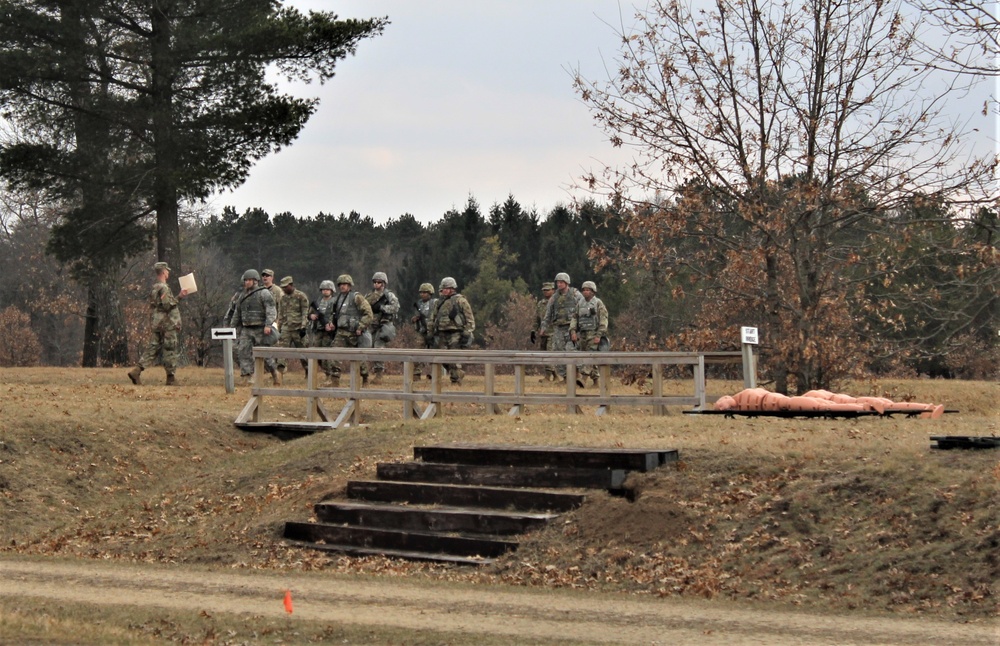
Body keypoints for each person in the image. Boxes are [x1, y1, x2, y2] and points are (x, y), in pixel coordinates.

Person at [127, 261, 188, 385]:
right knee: (170, 348)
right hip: (167, 324)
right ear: (164, 272)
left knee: (153, 348)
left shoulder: (155, 287)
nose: (168, 273)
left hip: (157, 322)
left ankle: (137, 371)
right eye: (167, 271)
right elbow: (167, 305)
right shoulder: (164, 288)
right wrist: (180, 296)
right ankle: (171, 378)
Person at [230, 269, 279, 385]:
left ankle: (274, 373)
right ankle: (247, 376)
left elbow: (271, 310)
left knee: (264, 354)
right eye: (245, 280)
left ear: (255, 281)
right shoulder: (242, 295)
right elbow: (237, 313)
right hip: (246, 328)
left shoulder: (264, 293)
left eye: (248, 280)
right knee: (243, 351)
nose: (246, 282)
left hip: (261, 328)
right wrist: (232, 328)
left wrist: (268, 325)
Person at [539, 272, 585, 382]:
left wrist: (580, 327)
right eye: (557, 282)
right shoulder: (554, 297)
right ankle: (565, 377)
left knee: (572, 351)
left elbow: (583, 309)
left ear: (566, 283)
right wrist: (543, 327)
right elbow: (548, 314)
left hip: (572, 328)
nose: (559, 284)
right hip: (558, 328)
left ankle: (577, 375)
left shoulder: (575, 294)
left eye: (561, 282)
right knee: (558, 352)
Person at [428, 276, 474, 385]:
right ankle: (458, 373)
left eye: (444, 288)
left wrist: (467, 332)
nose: (442, 291)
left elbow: (470, 318)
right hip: (441, 332)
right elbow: (432, 318)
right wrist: (430, 332)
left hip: (456, 332)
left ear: (451, 289)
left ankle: (455, 380)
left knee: (454, 357)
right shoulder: (438, 303)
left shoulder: (460, 301)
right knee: (441, 358)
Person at [330, 274, 374, 386]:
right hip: (341, 331)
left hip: (354, 332)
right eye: (340, 284)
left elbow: (368, 314)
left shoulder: (356, 297)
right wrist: (332, 323)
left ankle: (365, 378)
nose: (342, 287)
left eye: (345, 284)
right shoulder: (337, 299)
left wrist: (360, 327)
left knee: (359, 358)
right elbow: (334, 314)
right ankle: (335, 380)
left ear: (350, 285)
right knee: (334, 354)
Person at [365, 271, 400, 385]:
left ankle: (379, 374)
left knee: (378, 348)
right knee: (367, 347)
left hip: (383, 325)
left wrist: (382, 308)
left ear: (384, 283)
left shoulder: (389, 295)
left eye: (379, 282)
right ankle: (367, 372)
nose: (376, 284)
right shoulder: (369, 296)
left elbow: (395, 307)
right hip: (371, 326)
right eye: (375, 282)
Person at [573, 280, 609, 387]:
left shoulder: (598, 303)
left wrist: (599, 335)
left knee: (590, 356)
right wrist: (573, 331)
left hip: (594, 334)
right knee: (586, 356)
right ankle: (596, 382)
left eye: (587, 290)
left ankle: (583, 379)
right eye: (583, 290)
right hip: (583, 334)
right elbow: (575, 318)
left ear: (593, 292)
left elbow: (603, 320)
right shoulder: (580, 303)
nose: (585, 292)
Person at [275, 276, 311, 379]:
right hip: (286, 328)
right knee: (282, 351)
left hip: (298, 328)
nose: (284, 289)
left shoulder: (301, 296)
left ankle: (308, 372)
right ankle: (280, 373)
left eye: (286, 287)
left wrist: (303, 327)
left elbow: (305, 312)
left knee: (303, 352)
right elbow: (281, 313)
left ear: (291, 285)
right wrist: (279, 327)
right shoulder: (283, 298)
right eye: (283, 288)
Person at [309, 279, 339, 385]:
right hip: (318, 330)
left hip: (329, 332)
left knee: (327, 354)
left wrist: (331, 324)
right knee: (317, 353)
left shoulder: (335, 302)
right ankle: (325, 373)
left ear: (332, 290)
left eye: (327, 289)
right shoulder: (318, 302)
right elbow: (310, 313)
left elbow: (337, 316)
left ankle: (329, 376)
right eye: (323, 289)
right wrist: (311, 316)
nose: (325, 291)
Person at [261, 269, 286, 373]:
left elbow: (281, 307)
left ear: (272, 277)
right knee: (263, 346)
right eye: (263, 276)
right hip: (263, 322)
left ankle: (278, 370)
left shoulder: (277, 291)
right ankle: (266, 370)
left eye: (267, 276)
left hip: (275, 322)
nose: (265, 277)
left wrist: (278, 322)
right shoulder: (260, 290)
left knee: (274, 346)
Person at [410, 282, 437, 379]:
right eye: (421, 292)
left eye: (425, 292)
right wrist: (414, 319)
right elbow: (416, 316)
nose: (422, 294)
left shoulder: (435, 303)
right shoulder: (419, 304)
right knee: (418, 351)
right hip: (421, 331)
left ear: (430, 293)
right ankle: (416, 373)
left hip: (433, 331)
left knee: (433, 353)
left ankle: (433, 373)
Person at [535, 281, 557, 382]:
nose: (546, 292)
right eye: (544, 290)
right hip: (543, 333)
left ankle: (548, 376)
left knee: (549, 354)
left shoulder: (556, 302)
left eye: (548, 290)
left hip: (554, 332)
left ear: (553, 290)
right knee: (543, 355)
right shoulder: (541, 303)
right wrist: (534, 329)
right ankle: (555, 375)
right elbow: (537, 318)